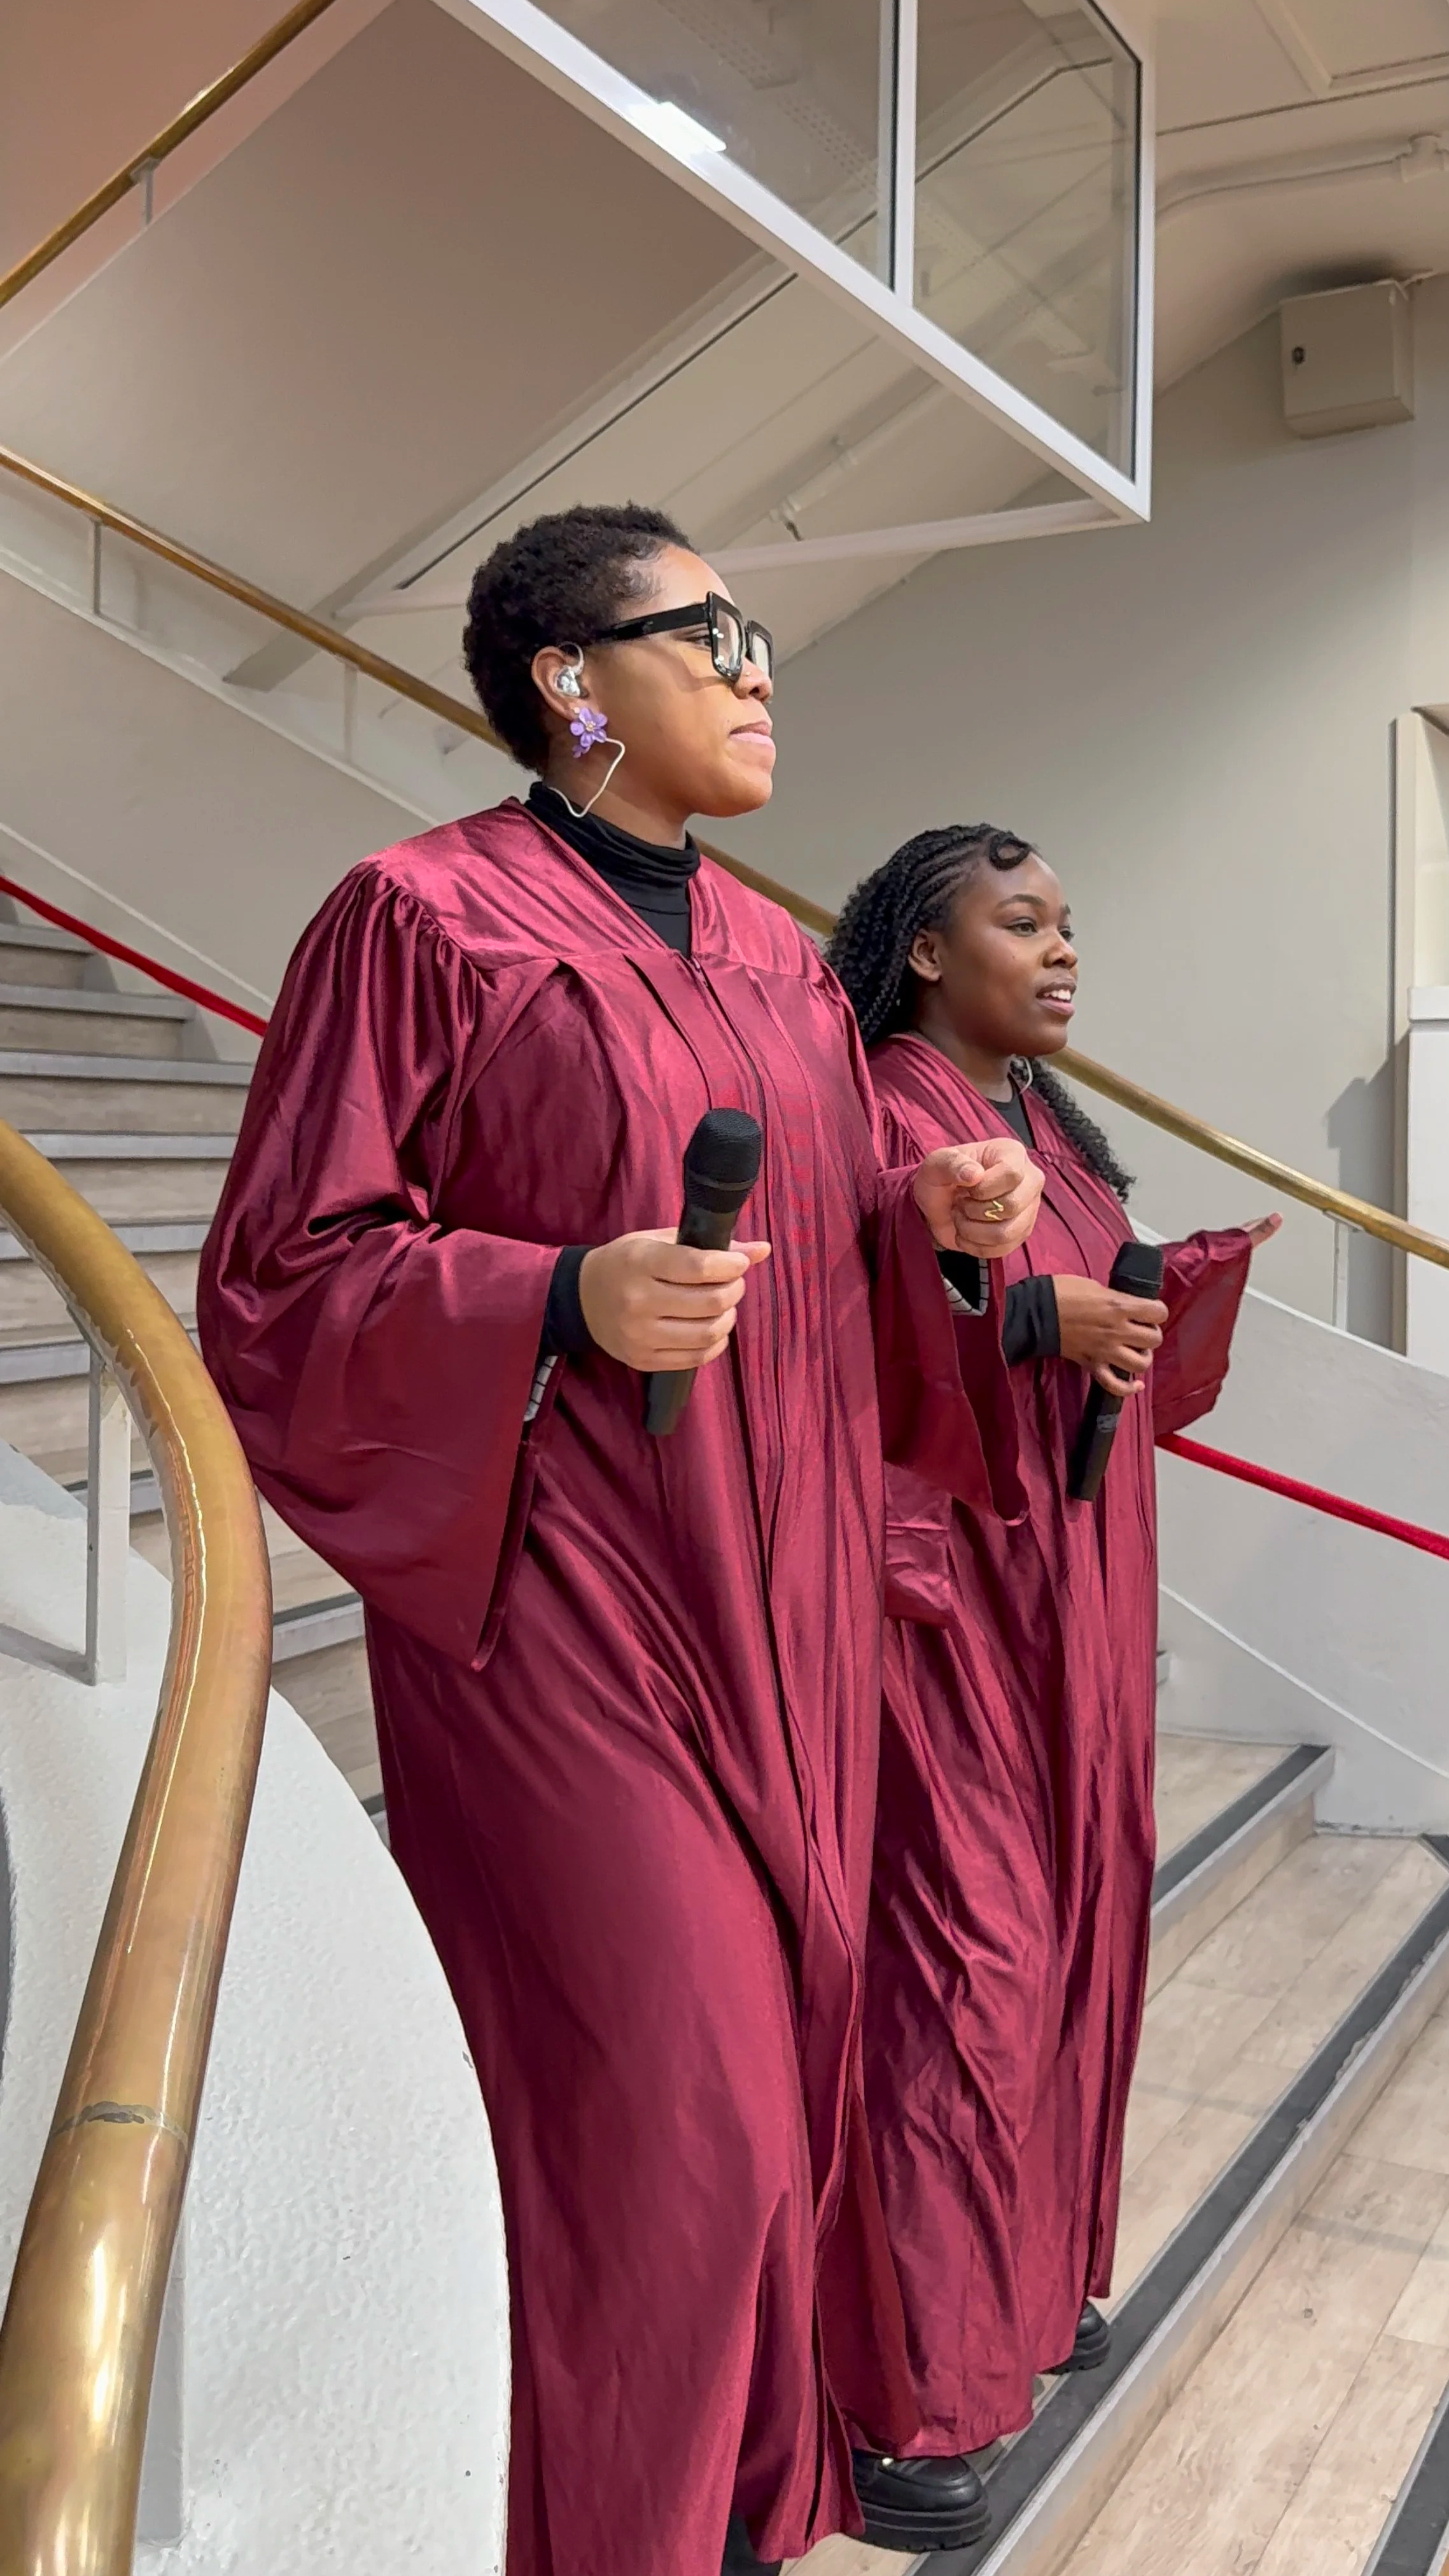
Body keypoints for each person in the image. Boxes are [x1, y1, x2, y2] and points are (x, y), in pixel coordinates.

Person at [197, 515, 1045, 2576]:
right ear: (574, 685)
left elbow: (823, 1289)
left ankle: (724, 2515)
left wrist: (919, 1231)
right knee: (680, 2116)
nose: (760, 671)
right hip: (561, 1606)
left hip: (787, 1628)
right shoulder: (419, 920)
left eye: (755, 635)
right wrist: (552, 1296)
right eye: (710, 635)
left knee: (774, 2111)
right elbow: (278, 1275)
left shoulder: (773, 963)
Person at [827, 825, 1278, 2530]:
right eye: (1021, 921)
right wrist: (1029, 1322)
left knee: (1076, 1931)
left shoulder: (1041, 1125)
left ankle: (1015, 2292)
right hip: (947, 1602)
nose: (1060, 949)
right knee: (962, 1968)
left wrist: (1146, 1305)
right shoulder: (881, 1100)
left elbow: (1088, 1317)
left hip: (1078, 1589)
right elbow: (840, 1308)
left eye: (1068, 924)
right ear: (926, 952)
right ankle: (908, 2403)